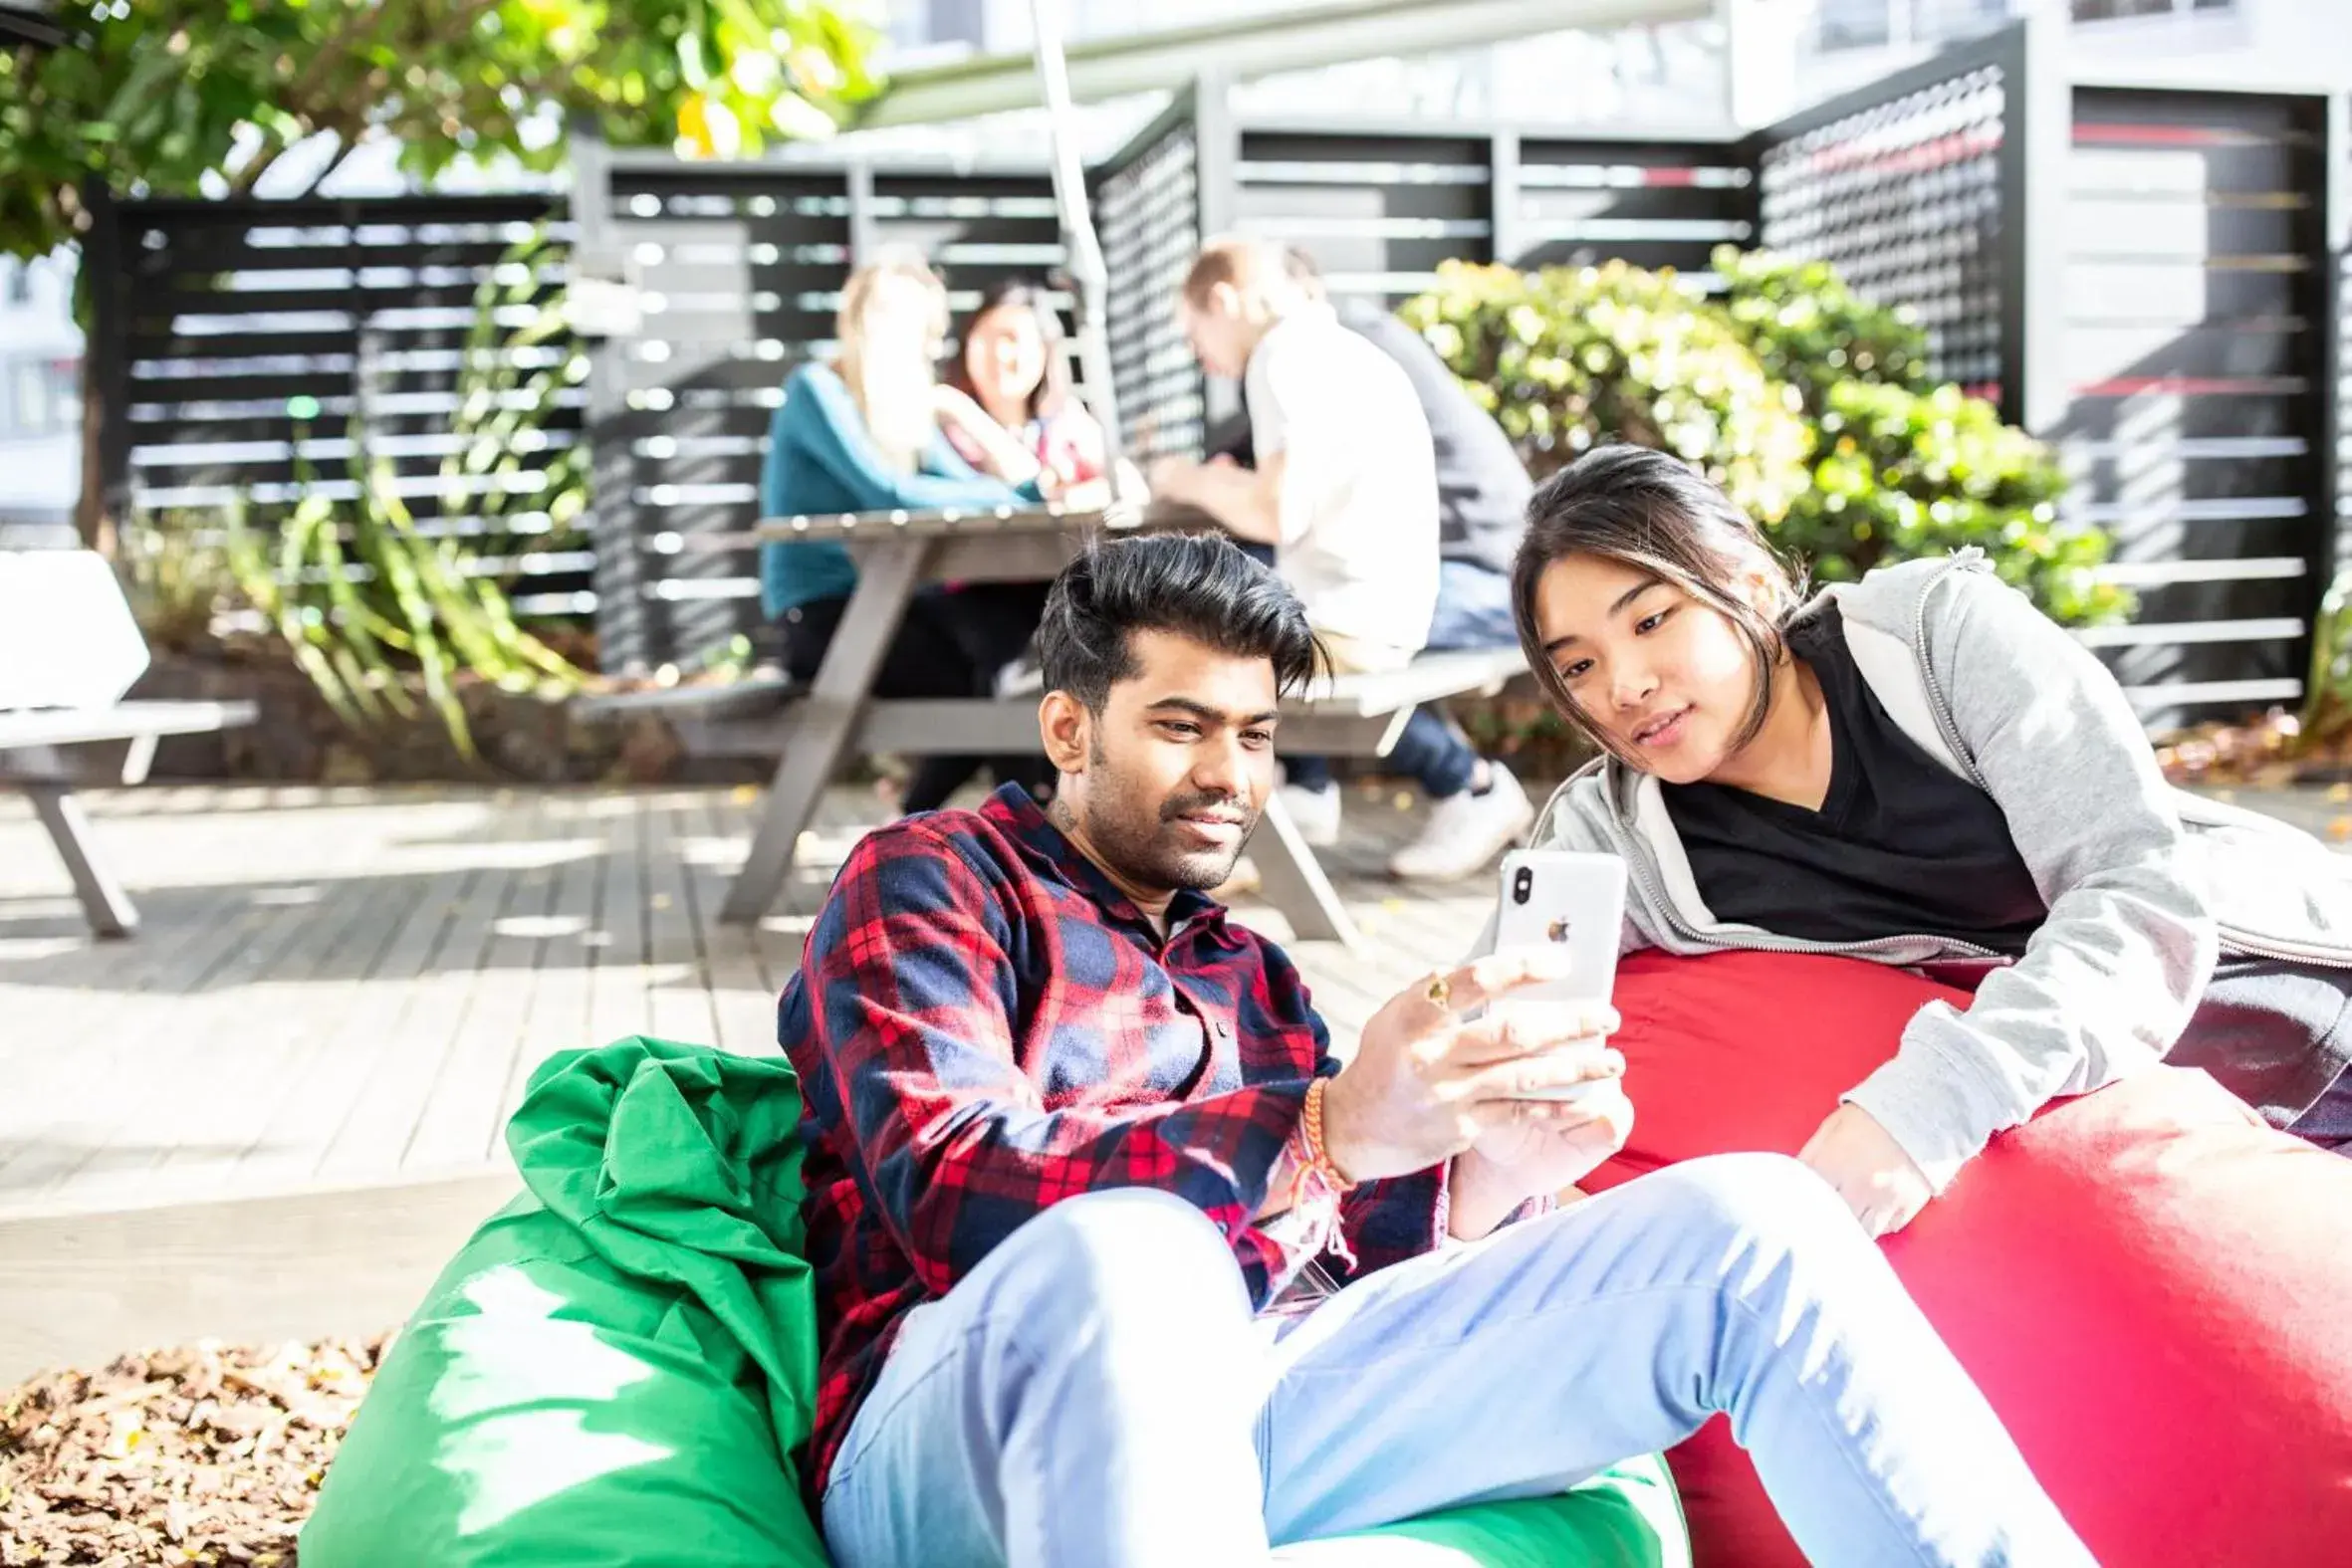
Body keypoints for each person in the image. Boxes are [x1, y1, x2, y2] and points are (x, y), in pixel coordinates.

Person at [779, 531, 2094, 1568]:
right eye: (1180, 726)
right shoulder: (935, 876)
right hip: (957, 1429)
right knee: (1128, 1246)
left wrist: (1479, 1176)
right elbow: (946, 1188)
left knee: (1757, 1219)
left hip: (1259, 1394)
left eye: (1253, 734)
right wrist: (1325, 1128)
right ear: (1069, 729)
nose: (1228, 774)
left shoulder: (1252, 973)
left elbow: (1342, 1239)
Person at [1514, 443, 2352, 1240]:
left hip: (2307, 1023)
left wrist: (1926, 1108)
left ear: (1751, 578)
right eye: (1578, 667)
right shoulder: (1612, 836)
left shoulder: (1935, 642)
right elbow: (1500, 1028)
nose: (1625, 685)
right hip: (2159, 1168)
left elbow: (2138, 891)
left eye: (1652, 619)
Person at [1147, 237, 1534, 882]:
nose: (1200, 357)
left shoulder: (1280, 355)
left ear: (1224, 299)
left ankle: (1195, 848)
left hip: (1350, 624)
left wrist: (1180, 479)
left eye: (1195, 335)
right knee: (1213, 630)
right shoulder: (1350, 350)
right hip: (1388, 615)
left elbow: (1275, 511)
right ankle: (1272, 814)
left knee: (1169, 658)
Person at [756, 252, 1051, 814]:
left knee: (1003, 654)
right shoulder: (817, 390)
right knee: (989, 684)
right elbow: (889, 492)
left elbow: (967, 482)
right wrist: (1020, 494)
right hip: (825, 621)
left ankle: (948, 831)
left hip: (893, 611)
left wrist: (1017, 481)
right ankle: (1018, 836)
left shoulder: (903, 408)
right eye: (923, 333)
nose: (929, 349)